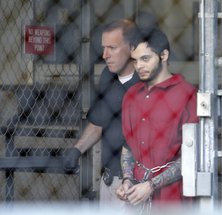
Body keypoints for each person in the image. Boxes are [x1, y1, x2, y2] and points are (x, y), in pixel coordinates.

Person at [116, 27, 199, 210]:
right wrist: (127, 180)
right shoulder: (131, 95)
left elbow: (191, 155)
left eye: (145, 59)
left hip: (173, 197)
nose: (139, 66)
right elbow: (128, 146)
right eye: (135, 60)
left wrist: (151, 185)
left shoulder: (187, 94)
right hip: (136, 195)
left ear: (164, 55)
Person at [63, 19, 140, 207]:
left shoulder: (147, 80)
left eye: (112, 48)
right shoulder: (107, 76)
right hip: (110, 180)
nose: (105, 55)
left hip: (139, 184)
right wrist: (77, 149)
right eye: (103, 48)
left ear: (132, 47)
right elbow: (99, 121)